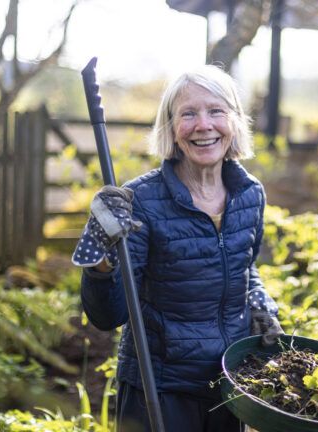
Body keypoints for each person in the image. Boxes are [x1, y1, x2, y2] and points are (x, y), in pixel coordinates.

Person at [72, 64, 284, 432]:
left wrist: (259, 301)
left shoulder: (250, 194)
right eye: (189, 114)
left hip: (229, 383)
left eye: (216, 111)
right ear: (170, 127)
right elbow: (108, 316)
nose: (204, 125)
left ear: (234, 121)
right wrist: (102, 256)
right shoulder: (141, 201)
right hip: (160, 388)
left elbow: (244, 267)